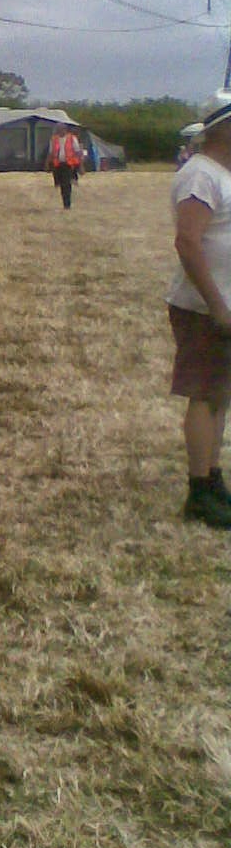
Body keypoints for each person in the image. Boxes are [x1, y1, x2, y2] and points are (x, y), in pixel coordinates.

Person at [166, 95, 231, 528]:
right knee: (205, 396)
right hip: (206, 309)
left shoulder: (220, 174)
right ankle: (199, 492)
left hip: (222, 307)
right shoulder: (201, 175)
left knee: (219, 395)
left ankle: (212, 477)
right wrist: (217, 306)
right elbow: (188, 242)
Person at [46, 123, 84, 208]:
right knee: (60, 183)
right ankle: (64, 197)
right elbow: (51, 153)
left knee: (66, 184)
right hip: (57, 164)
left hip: (68, 164)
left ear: (65, 130)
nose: (59, 131)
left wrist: (81, 166)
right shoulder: (54, 139)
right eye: (58, 129)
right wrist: (47, 164)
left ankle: (67, 204)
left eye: (61, 129)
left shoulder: (72, 138)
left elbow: (78, 152)